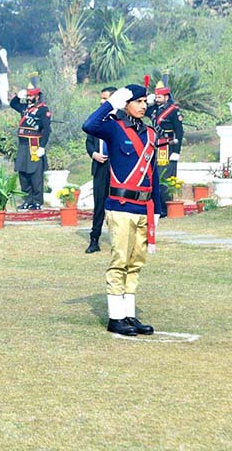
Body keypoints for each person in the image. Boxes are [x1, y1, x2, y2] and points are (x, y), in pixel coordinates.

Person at [82, 84, 160, 337]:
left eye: (144, 102)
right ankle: (115, 317)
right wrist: (112, 103)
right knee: (120, 260)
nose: (142, 105)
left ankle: (129, 314)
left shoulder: (150, 133)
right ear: (126, 104)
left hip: (142, 207)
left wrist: (156, 209)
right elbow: (89, 125)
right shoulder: (115, 129)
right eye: (137, 101)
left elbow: (153, 174)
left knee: (136, 262)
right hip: (121, 206)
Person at [85, 87, 117, 253]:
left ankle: (118, 240)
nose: (101, 102)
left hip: (117, 169)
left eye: (105, 99)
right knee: (99, 205)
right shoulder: (96, 119)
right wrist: (93, 154)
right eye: (101, 98)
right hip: (100, 167)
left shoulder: (121, 119)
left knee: (118, 206)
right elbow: (89, 142)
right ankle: (94, 239)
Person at [10, 84, 52, 210]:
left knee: (35, 175)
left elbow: (47, 130)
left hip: (34, 145)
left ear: (37, 96)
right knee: (23, 174)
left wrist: (42, 147)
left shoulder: (43, 110)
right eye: (27, 95)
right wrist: (18, 96)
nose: (29, 98)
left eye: (31, 96)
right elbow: (13, 104)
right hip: (22, 146)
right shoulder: (24, 108)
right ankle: (27, 200)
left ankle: (37, 201)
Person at [146, 80, 184, 218]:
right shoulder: (155, 109)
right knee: (156, 175)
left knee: (165, 176)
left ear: (166, 97)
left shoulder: (173, 111)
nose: (157, 99)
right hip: (156, 146)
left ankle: (164, 206)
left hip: (168, 146)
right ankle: (157, 205)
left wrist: (176, 152)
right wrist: (147, 102)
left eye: (159, 97)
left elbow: (179, 132)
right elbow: (144, 111)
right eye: (156, 97)